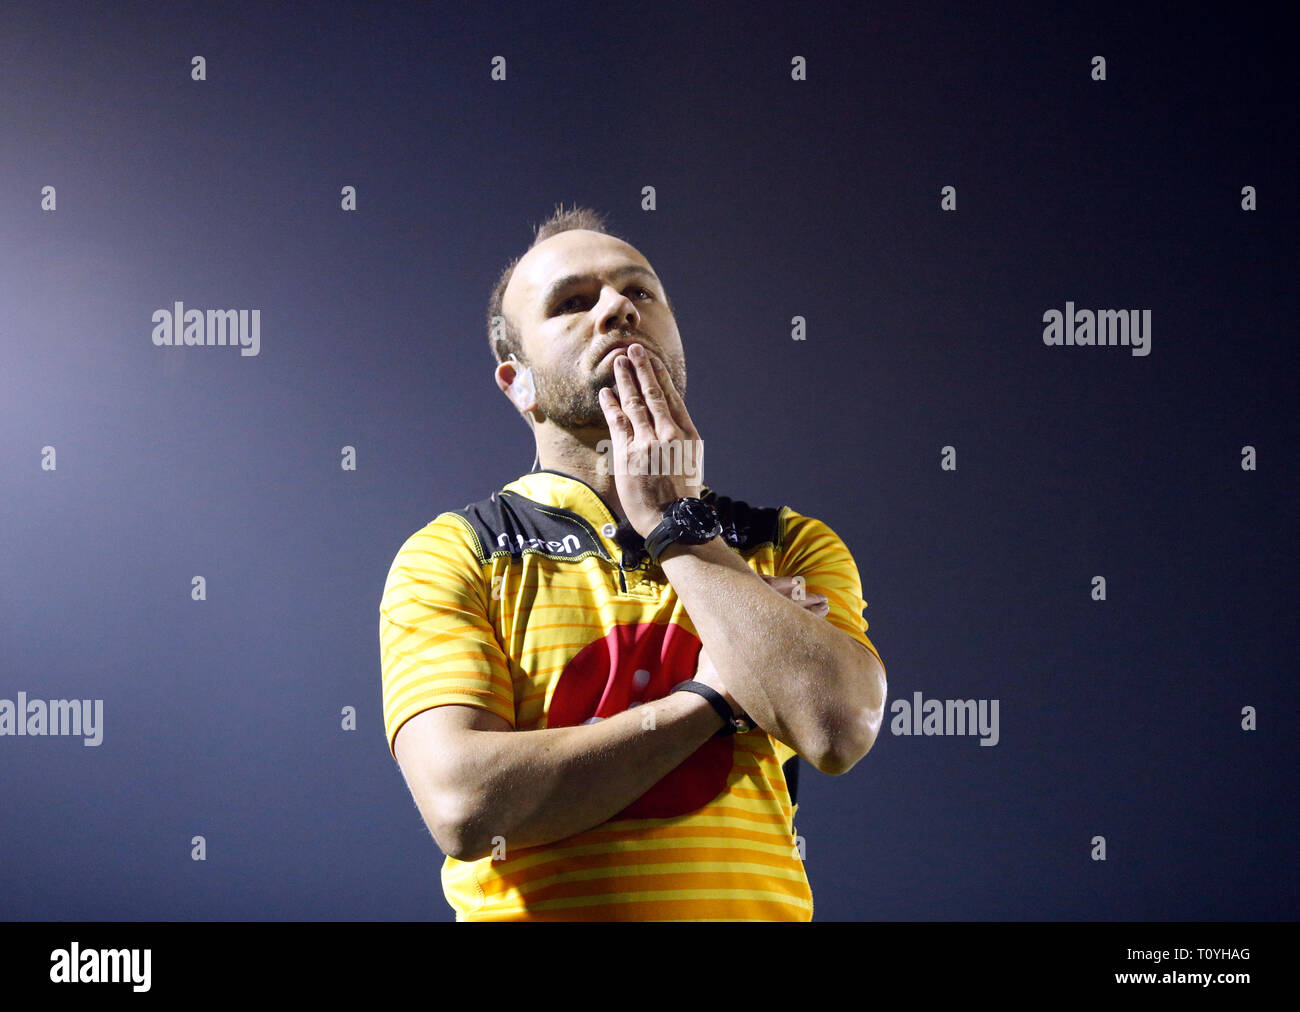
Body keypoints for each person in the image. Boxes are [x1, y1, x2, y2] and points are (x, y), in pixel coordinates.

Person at [379, 204, 887, 920]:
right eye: (572, 303)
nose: (617, 307)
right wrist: (709, 699)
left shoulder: (787, 540)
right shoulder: (456, 552)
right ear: (517, 383)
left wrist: (676, 525)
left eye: (639, 291)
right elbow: (466, 808)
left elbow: (839, 729)